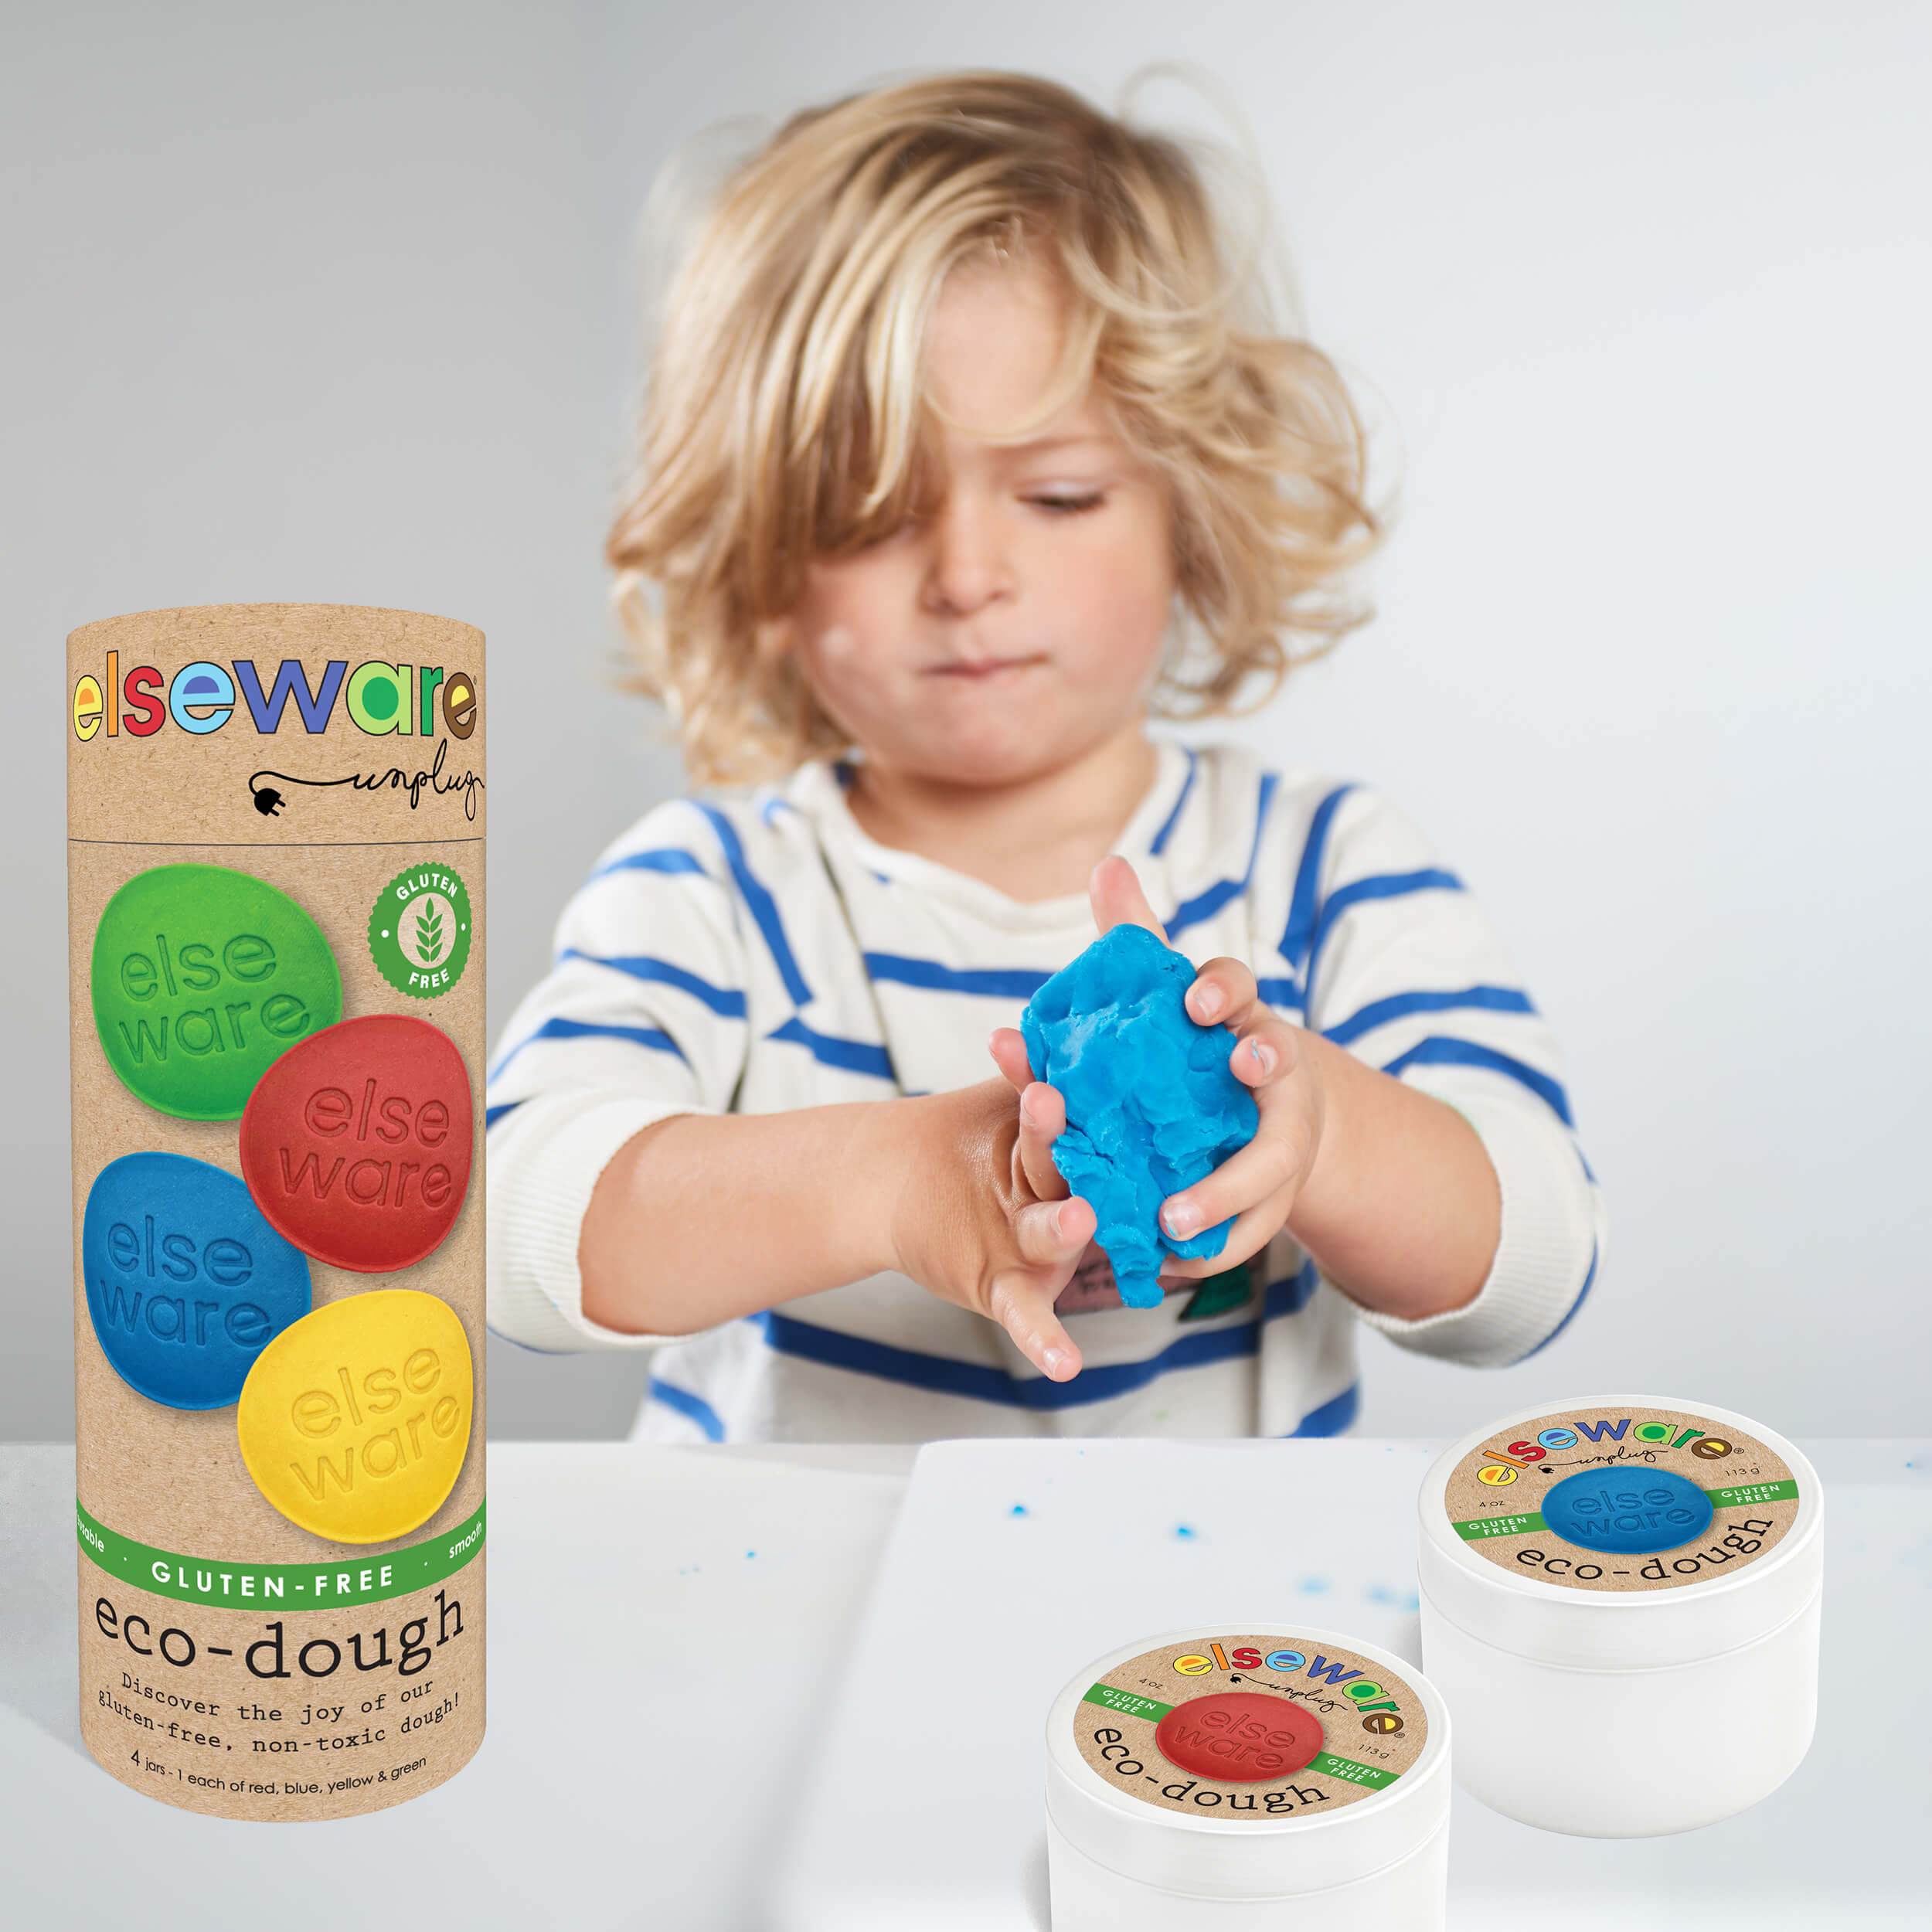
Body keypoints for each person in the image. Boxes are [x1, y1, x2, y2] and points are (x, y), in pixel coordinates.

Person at [485, 70, 1605, 1442]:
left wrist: (1310, 1126)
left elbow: (1536, 1266)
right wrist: (899, 1183)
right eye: (874, 513)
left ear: (1190, 518)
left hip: (1211, 1639)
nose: (968, 575)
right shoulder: (718, 889)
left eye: (1060, 494)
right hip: (791, 1625)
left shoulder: (1326, 870)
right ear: (763, 562)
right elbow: (511, 1223)